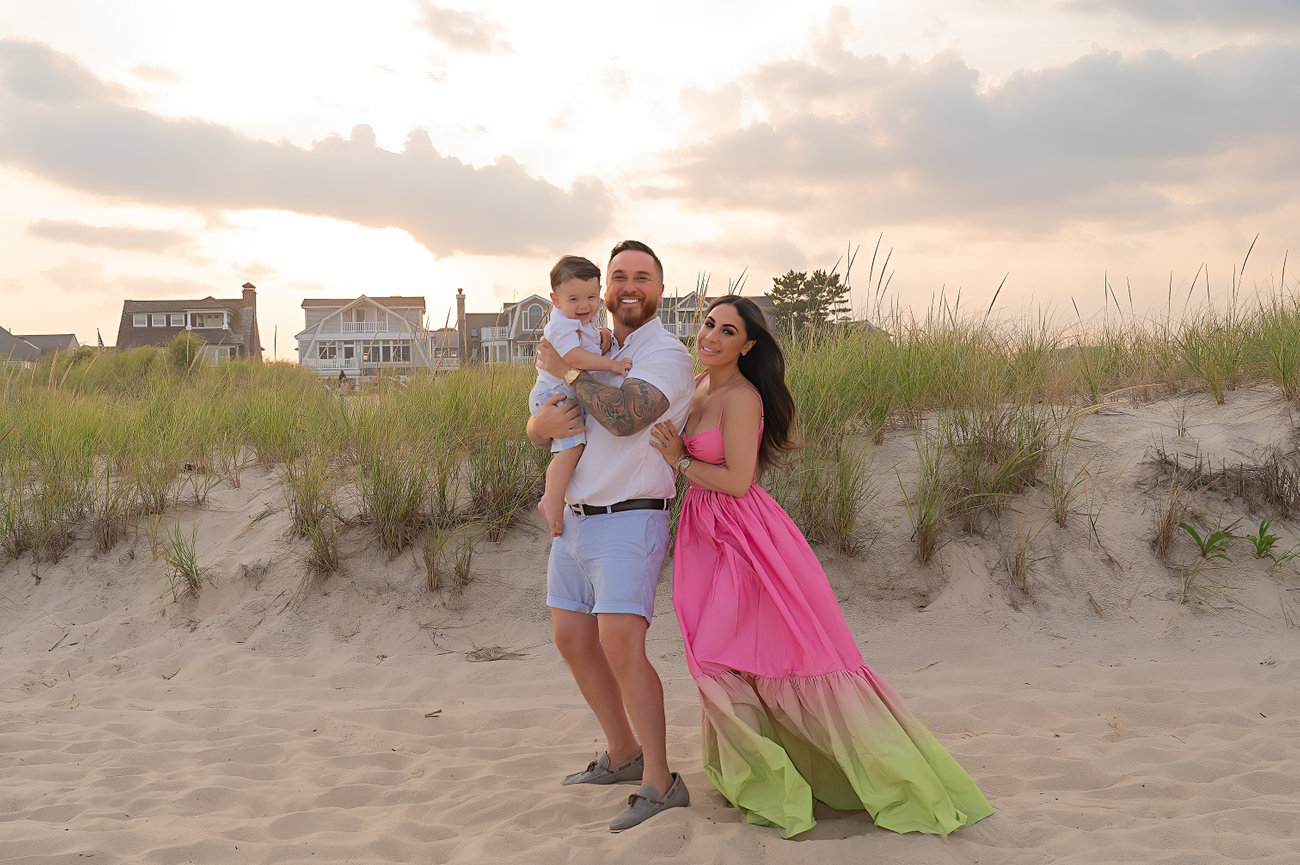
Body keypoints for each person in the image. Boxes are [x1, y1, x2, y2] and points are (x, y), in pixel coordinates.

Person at [649, 295, 994, 838]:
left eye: (727, 331)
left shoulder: (741, 397)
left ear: (749, 345)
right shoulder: (698, 384)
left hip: (742, 538)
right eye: (709, 324)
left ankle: (819, 777)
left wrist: (681, 461)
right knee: (716, 655)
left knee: (745, 650)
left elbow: (739, 481)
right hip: (703, 534)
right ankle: (760, 773)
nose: (711, 336)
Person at [527, 240, 695, 832]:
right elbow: (555, 418)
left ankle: (660, 780)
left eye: (640, 277)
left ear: (659, 289)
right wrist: (537, 422)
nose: (627, 286)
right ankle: (622, 753)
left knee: (623, 646)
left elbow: (626, 415)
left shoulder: (665, 353)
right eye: (618, 275)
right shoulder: (600, 341)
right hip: (575, 518)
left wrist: (567, 371)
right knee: (572, 638)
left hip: (630, 517)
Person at [530, 255, 633, 537]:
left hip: (563, 391)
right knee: (572, 447)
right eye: (573, 299)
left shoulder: (584, 320)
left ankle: (553, 496)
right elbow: (573, 357)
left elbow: (587, 341)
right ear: (555, 300)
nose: (584, 305)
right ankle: (552, 498)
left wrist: (604, 332)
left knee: (571, 447)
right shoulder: (562, 324)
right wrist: (612, 364)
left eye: (591, 297)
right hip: (555, 393)